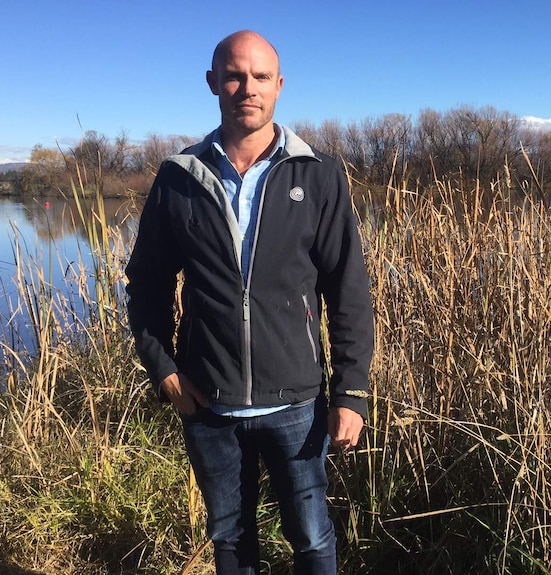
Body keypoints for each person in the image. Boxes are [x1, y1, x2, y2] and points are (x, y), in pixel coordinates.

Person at [125, 30, 374, 575]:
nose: (247, 88)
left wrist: (351, 392)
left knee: (311, 539)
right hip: (208, 404)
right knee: (231, 540)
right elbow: (145, 283)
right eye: (235, 75)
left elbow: (348, 290)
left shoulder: (318, 175)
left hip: (297, 406)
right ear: (213, 83)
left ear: (279, 86)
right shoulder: (179, 177)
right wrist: (163, 368)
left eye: (261, 77)